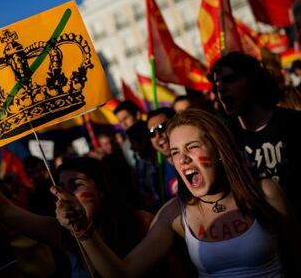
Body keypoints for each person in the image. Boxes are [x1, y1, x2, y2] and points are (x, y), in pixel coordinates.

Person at [54, 109, 299, 277]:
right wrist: (82, 230)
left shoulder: (264, 192)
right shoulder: (174, 213)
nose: (182, 159)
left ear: (219, 150)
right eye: (175, 152)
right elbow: (123, 273)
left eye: (192, 147)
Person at [0, 117, 153, 277]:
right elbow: (4, 211)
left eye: (76, 185)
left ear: (103, 189)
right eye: (61, 187)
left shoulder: (142, 223)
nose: (66, 195)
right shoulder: (63, 234)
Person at [209, 52, 301, 216]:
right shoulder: (226, 141)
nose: (221, 88)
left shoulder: (293, 124)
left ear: (253, 81)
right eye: (217, 83)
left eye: (230, 79)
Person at [146, 107, 177, 199]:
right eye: (151, 133)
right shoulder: (158, 176)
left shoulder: (194, 158)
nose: (158, 135)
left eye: (162, 127)